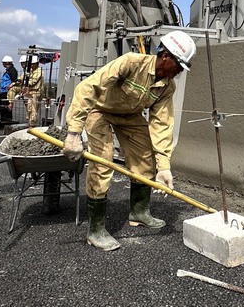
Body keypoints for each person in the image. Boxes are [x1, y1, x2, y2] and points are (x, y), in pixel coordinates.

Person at [62, 30, 196, 251]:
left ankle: (139, 212)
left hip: (130, 117)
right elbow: (88, 87)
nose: (181, 71)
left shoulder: (167, 87)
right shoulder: (131, 63)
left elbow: (161, 124)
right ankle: (96, 230)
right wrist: (74, 132)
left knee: (145, 160)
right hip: (101, 111)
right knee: (103, 162)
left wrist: (163, 166)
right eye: (180, 65)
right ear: (166, 56)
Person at [22, 55, 43, 127]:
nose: (32, 66)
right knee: (29, 107)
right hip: (30, 92)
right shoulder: (31, 71)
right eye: (31, 64)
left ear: (37, 63)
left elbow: (32, 82)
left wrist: (24, 83)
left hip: (36, 92)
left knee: (33, 108)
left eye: (33, 64)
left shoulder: (38, 71)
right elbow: (23, 77)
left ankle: (32, 123)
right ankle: (30, 122)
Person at [0, 55, 18, 124]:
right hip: (4, 90)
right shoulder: (9, 70)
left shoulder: (12, 71)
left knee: (6, 106)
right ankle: (4, 119)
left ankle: (7, 119)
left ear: (6, 63)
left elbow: (14, 81)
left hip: (7, 91)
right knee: (2, 106)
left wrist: (9, 86)